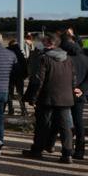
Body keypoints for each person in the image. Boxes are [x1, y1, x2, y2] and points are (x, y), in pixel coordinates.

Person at [22, 34, 76, 163]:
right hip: (66, 97)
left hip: (47, 97)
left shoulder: (44, 59)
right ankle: (67, 153)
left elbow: (38, 80)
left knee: (43, 125)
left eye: (43, 41)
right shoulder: (68, 59)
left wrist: (33, 98)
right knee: (65, 127)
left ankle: (37, 150)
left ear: (49, 43)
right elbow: (73, 79)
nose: (41, 42)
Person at [6, 39, 29, 116]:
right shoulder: (20, 53)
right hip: (19, 76)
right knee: (20, 94)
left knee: (9, 93)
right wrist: (24, 76)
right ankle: (23, 110)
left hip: (9, 76)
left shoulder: (6, 52)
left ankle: (10, 109)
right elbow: (25, 66)